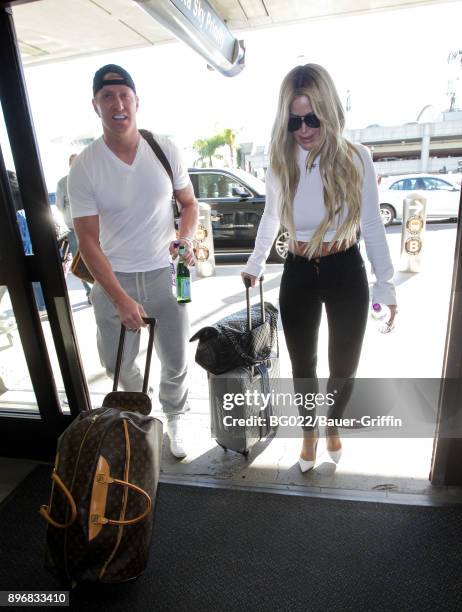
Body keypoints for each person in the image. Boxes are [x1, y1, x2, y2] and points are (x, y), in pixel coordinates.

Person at [241, 64, 397, 473]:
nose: (304, 129)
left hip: (345, 267)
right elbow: (271, 216)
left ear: (329, 111)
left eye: (312, 118)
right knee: (303, 364)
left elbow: (373, 224)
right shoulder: (281, 160)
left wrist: (387, 285)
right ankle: (309, 432)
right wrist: (255, 263)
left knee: (344, 365)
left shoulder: (356, 157)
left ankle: (334, 424)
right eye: (294, 120)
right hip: (297, 269)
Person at [68, 64, 198, 458]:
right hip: (112, 280)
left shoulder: (163, 149)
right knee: (120, 366)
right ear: (96, 105)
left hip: (165, 273)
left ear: (136, 102)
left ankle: (175, 418)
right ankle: (141, 420)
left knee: (174, 358)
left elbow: (189, 204)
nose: (117, 104)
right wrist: (120, 298)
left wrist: (185, 239)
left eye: (124, 95)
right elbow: (88, 242)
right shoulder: (86, 165)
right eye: (107, 97)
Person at [56, 154, 92, 302]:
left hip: (94, 227)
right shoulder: (63, 183)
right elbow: (59, 205)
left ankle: (100, 290)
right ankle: (89, 291)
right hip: (74, 228)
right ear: (70, 165)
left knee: (97, 257)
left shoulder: (91, 180)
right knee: (80, 260)